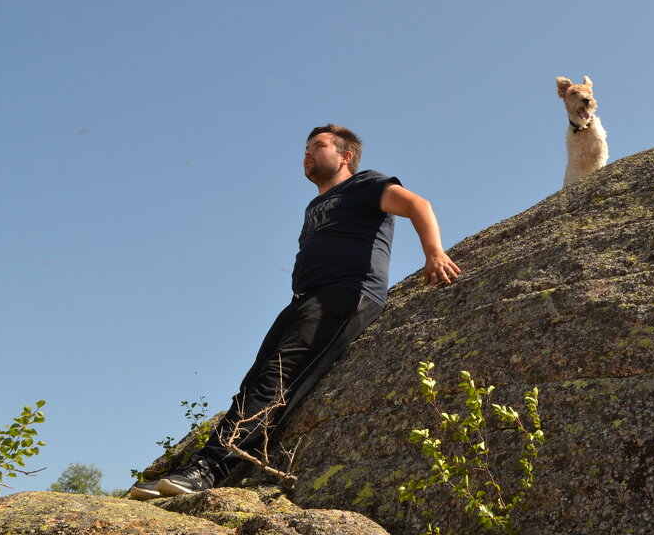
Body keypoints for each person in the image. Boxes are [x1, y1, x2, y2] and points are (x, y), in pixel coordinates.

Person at [129, 124, 461, 500]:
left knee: (278, 377)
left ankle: (207, 470)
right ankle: (212, 462)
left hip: (348, 294)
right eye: (305, 148)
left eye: (318, 146)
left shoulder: (366, 184)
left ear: (345, 156)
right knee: (253, 381)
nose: (307, 153)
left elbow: (419, 205)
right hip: (305, 299)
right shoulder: (315, 205)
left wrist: (434, 253)